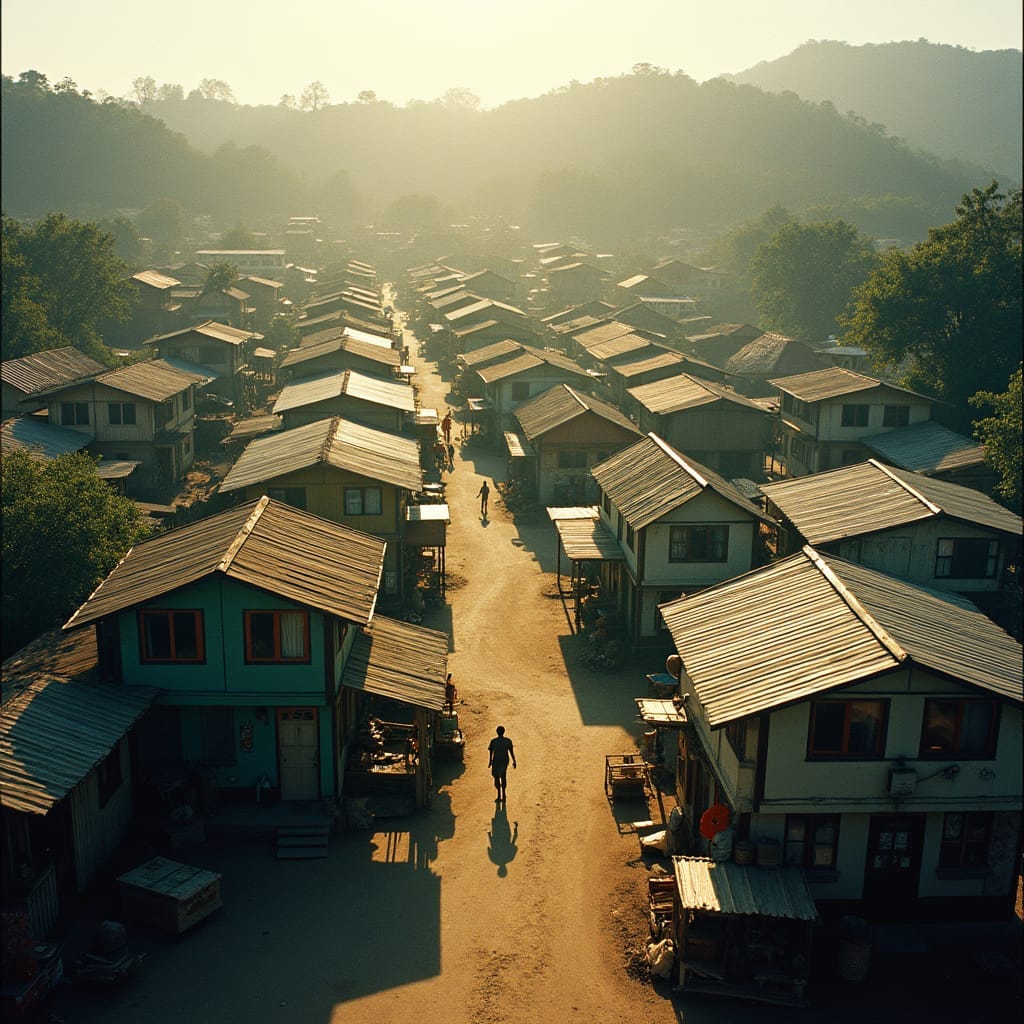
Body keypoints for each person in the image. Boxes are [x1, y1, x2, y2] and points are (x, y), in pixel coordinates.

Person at [487, 725, 516, 802]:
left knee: (496, 778)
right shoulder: (508, 741)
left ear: (497, 732)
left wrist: (490, 761)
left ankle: (499, 795)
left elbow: (491, 752)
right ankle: (503, 794)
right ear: (504, 732)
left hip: (496, 761)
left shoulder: (493, 741)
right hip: (504, 761)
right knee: (503, 776)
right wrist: (514, 761)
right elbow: (511, 752)